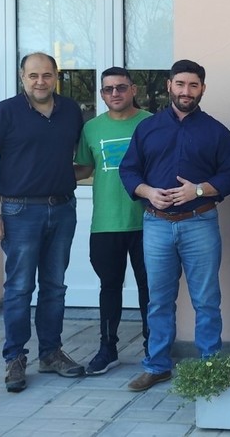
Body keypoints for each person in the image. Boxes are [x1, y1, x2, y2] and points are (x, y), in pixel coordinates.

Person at [119, 59, 230, 392]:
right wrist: (147, 192)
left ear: (202, 89)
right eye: (180, 84)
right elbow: (128, 171)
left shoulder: (216, 131)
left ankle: (210, 366)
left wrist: (198, 189)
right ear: (169, 85)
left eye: (193, 85)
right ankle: (157, 365)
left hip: (199, 222)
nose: (186, 91)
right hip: (156, 224)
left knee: (206, 299)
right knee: (158, 300)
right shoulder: (147, 128)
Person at [0, 52, 85, 392]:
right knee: (19, 288)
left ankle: (51, 353)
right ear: (21, 77)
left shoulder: (71, 111)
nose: (40, 81)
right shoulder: (5, 112)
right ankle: (14, 358)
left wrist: (66, 177)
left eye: (46, 75)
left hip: (62, 209)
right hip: (19, 211)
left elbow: (82, 160)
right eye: (33, 76)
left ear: (57, 76)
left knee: (55, 286)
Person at [74, 67, 152, 375]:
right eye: (108, 89)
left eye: (121, 87)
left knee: (150, 289)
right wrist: (45, 176)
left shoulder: (150, 123)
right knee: (109, 287)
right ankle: (108, 348)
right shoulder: (91, 128)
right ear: (102, 94)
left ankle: (153, 347)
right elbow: (83, 169)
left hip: (148, 221)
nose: (115, 93)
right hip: (106, 224)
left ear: (133, 89)